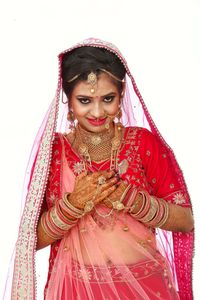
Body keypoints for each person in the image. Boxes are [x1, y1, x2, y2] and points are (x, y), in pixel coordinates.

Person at [8, 38, 194, 300]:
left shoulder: (143, 143)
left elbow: (185, 220)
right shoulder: (55, 151)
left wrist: (134, 201)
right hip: (75, 289)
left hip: (145, 289)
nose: (97, 111)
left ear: (121, 95)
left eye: (108, 98)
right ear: (68, 100)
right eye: (84, 100)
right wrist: (73, 204)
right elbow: (31, 240)